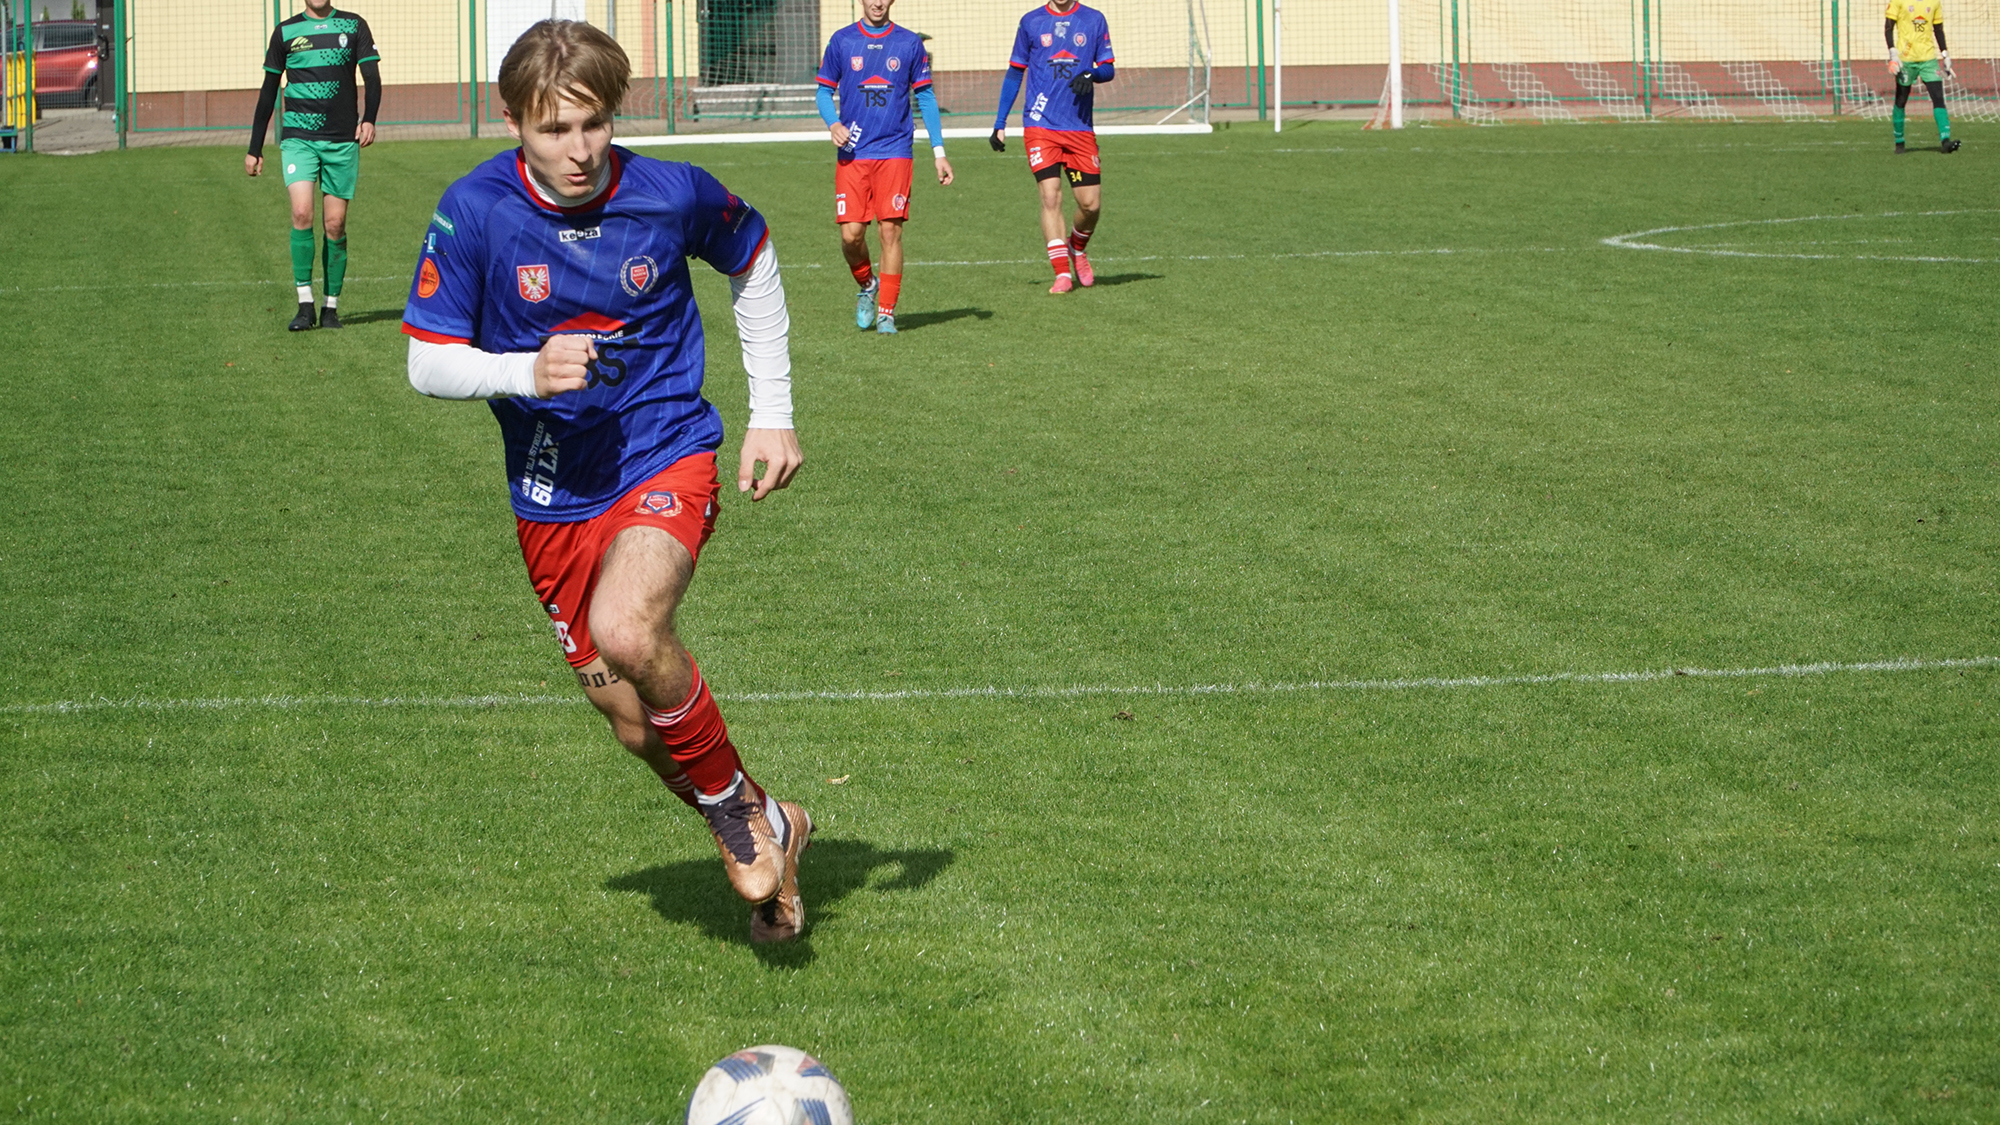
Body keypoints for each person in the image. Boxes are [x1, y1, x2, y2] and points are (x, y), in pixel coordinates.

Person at [399, 20, 813, 944]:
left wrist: (773, 409)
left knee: (627, 627)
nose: (579, 150)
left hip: (665, 447)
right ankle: (771, 817)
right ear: (513, 121)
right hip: (551, 490)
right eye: (554, 130)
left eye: (594, 124)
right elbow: (426, 360)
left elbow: (751, 253)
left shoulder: (669, 193)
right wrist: (524, 372)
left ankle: (731, 812)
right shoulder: (474, 211)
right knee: (633, 722)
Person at [816, 0, 953, 335]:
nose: (877, 2)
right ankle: (867, 284)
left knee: (890, 230)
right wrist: (833, 123)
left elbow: (925, 97)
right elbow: (823, 92)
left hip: (895, 150)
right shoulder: (843, 41)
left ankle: (887, 314)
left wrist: (939, 152)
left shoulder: (908, 43)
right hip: (853, 152)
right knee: (851, 235)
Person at [246, 0, 381, 331]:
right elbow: (268, 91)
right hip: (299, 138)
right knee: (301, 212)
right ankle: (304, 305)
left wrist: (369, 119)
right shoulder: (285, 32)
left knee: (335, 224)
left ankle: (330, 307)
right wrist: (255, 147)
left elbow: (372, 78)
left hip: (341, 140)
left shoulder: (354, 26)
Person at [989, 0, 1114, 294]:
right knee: (1050, 196)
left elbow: (1108, 68)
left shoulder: (1093, 20)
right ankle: (1062, 274)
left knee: (1090, 204)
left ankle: (1077, 248)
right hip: (1040, 125)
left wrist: (1092, 74)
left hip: (1079, 127)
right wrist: (1000, 122)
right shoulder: (1031, 21)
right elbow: (1015, 72)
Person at [1885, 0, 1960, 153]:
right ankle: (1899, 142)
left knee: (1938, 97)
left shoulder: (1934, 2)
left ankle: (1945, 141)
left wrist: (1945, 55)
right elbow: (1888, 27)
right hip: (1905, 60)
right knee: (1901, 99)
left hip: (1928, 59)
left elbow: (1938, 29)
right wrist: (1893, 53)